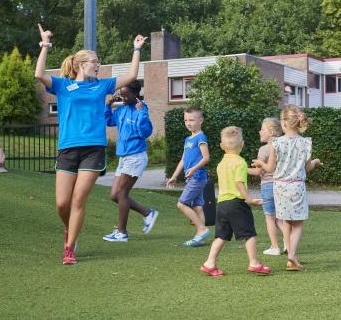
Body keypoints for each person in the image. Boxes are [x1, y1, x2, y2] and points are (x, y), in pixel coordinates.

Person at [34, 24, 147, 265]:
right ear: (81, 64)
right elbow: (38, 75)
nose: (98, 64)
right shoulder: (63, 86)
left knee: (77, 200)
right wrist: (45, 45)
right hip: (68, 148)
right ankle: (71, 230)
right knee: (62, 203)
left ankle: (69, 249)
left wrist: (136, 49)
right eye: (95, 61)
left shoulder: (102, 85)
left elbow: (130, 76)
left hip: (93, 149)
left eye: (98, 61)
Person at [254, 105, 322, 271]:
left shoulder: (276, 143)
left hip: (280, 186)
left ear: (284, 123)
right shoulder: (306, 143)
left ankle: (291, 257)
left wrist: (260, 163)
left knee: (286, 221)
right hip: (297, 186)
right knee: (298, 223)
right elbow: (306, 168)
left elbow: (269, 169)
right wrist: (315, 163)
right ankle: (291, 254)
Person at [200, 126, 271, 277]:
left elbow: (233, 174)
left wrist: (254, 171)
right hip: (236, 204)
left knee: (221, 236)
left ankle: (209, 263)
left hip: (222, 205)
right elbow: (239, 181)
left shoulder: (221, 164)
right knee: (249, 234)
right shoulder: (240, 162)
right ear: (242, 144)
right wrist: (249, 199)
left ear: (221, 146)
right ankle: (254, 263)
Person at [103, 81, 158, 242]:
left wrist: (141, 114)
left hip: (136, 157)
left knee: (121, 194)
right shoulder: (121, 109)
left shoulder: (142, 109)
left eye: (127, 95)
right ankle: (148, 213)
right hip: (124, 156)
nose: (124, 98)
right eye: (121, 95)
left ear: (136, 94)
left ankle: (122, 232)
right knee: (114, 195)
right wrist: (108, 106)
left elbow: (145, 132)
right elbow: (109, 121)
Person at [167, 107, 210, 247]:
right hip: (193, 177)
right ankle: (201, 238)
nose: (188, 123)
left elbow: (206, 158)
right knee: (198, 206)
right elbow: (183, 160)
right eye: (186, 120)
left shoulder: (201, 137)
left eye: (192, 120)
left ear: (201, 121)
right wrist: (174, 176)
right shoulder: (188, 139)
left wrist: (193, 169)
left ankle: (202, 229)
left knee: (181, 204)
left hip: (197, 177)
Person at [248, 118, 285, 256]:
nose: (259, 131)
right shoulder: (283, 146)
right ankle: (288, 242)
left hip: (268, 186)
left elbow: (259, 171)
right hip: (282, 186)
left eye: (262, 129)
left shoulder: (264, 149)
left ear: (270, 132)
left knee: (270, 217)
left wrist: (240, 169)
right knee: (280, 218)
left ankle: (275, 247)